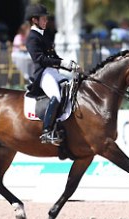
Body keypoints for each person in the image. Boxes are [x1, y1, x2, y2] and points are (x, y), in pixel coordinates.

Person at [25, 4, 80, 145]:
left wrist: (69, 65)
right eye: (43, 18)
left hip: (53, 72)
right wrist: (62, 64)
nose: (46, 21)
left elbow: (54, 56)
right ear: (34, 20)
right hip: (43, 74)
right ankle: (47, 131)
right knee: (56, 95)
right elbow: (40, 59)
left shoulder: (45, 36)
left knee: (71, 88)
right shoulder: (32, 38)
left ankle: (62, 125)